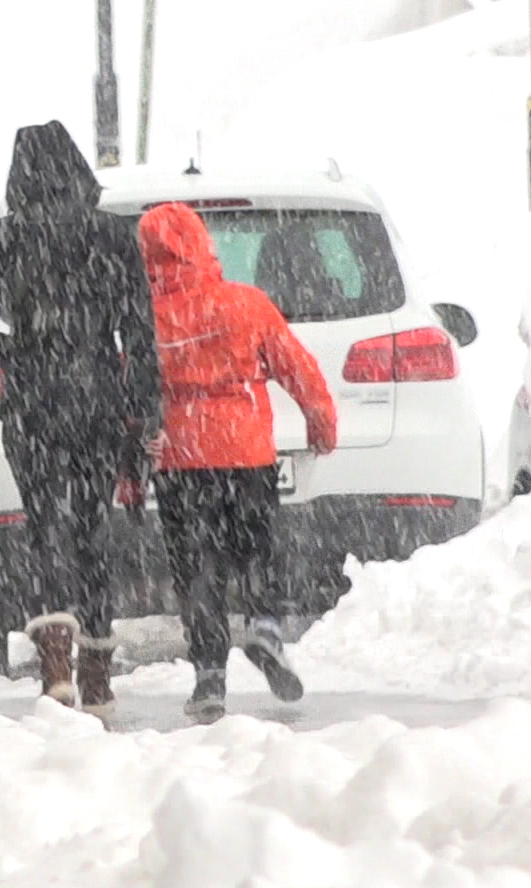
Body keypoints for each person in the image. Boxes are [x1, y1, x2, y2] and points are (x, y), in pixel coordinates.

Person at [0, 121, 161, 717]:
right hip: (97, 398)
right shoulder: (110, 235)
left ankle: (55, 671)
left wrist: (18, 355)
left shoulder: (4, 238)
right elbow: (139, 329)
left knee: (44, 526)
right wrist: (143, 404)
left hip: (32, 405)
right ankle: (97, 673)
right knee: (94, 529)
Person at [137, 202, 338, 723]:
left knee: (196, 568)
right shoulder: (246, 304)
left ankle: (209, 673)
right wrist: (320, 419)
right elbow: (297, 366)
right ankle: (266, 628)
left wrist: (130, 458)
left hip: (182, 460)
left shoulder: (147, 318)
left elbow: (132, 391)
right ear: (204, 246)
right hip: (246, 451)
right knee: (256, 550)